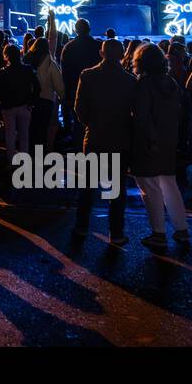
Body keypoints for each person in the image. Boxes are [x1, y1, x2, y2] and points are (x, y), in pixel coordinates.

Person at [72, 39, 136, 245]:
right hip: (120, 138)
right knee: (116, 189)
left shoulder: (88, 75)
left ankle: (81, 227)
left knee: (88, 186)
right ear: (122, 55)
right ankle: (116, 232)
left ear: (101, 53)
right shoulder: (129, 80)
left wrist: (91, 123)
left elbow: (79, 108)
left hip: (95, 137)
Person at [128, 43, 189, 249]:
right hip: (169, 140)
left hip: (148, 143)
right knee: (169, 184)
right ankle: (181, 229)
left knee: (150, 188)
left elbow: (141, 118)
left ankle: (158, 233)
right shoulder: (170, 82)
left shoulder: (143, 84)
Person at [0, 44, 40, 175]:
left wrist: (1, 104)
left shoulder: (3, 72)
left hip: (8, 107)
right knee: (24, 135)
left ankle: (11, 162)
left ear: (6, 56)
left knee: (10, 135)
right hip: (24, 105)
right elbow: (37, 87)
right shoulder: (27, 69)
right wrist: (31, 101)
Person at [60, 19, 101, 146]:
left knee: (78, 123)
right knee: (96, 122)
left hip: (74, 89)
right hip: (96, 90)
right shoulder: (98, 46)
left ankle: (80, 152)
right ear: (89, 29)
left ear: (75, 30)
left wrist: (65, 94)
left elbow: (65, 73)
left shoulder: (69, 47)